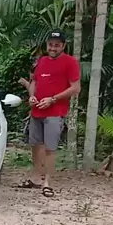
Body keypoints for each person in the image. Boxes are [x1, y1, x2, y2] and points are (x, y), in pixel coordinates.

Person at [19, 30, 80, 197]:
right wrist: (32, 96)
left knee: (50, 148)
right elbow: (34, 81)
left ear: (63, 46)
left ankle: (48, 182)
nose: (53, 48)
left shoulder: (70, 62)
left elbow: (75, 88)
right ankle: (35, 178)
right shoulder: (42, 61)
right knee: (35, 145)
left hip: (54, 112)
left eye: (57, 45)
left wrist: (53, 99)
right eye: (51, 45)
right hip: (37, 111)